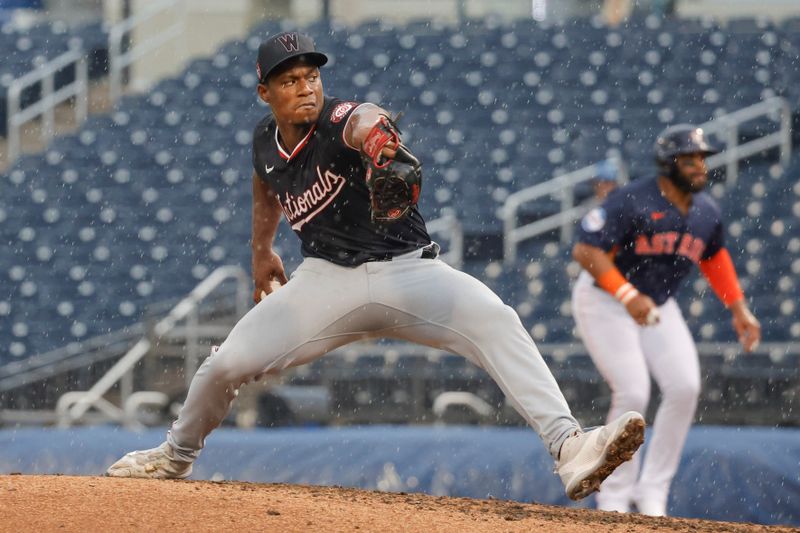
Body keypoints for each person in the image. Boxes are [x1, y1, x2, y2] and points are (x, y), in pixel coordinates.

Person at [106, 31, 646, 501]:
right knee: (223, 366)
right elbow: (265, 181)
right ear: (264, 93)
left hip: (409, 272)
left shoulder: (339, 118)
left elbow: (364, 119)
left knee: (497, 320)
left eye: (311, 76)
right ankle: (174, 457)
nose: (306, 87)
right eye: (289, 80)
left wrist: (383, 142)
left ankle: (570, 447)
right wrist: (261, 251)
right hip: (325, 281)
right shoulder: (263, 140)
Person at [570, 124, 761, 515]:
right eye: (690, 160)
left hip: (656, 304)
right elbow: (586, 250)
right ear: (668, 163)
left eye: (702, 159)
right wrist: (626, 294)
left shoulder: (707, 211)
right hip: (606, 300)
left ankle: (653, 492)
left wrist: (738, 308)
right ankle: (614, 498)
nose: (699, 167)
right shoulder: (633, 199)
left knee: (685, 387)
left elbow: (713, 255)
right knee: (634, 392)